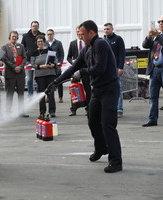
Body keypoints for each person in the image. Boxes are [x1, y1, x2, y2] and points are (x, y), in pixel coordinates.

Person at [46, 20, 122, 173]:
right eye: (79, 34)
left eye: (82, 33)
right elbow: (73, 67)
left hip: (109, 90)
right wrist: (56, 82)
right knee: (92, 121)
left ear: (91, 33)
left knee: (107, 124)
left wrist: (82, 72)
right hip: (97, 90)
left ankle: (116, 161)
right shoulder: (86, 49)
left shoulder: (100, 44)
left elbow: (100, 68)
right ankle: (101, 148)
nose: (80, 36)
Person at [141, 15, 163, 127]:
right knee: (153, 96)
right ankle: (152, 119)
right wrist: (149, 36)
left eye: (162, 21)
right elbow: (145, 45)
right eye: (159, 21)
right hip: (154, 69)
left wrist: (158, 35)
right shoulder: (156, 36)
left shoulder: (159, 36)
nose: (160, 23)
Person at [1, 31, 29, 117]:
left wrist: (20, 67)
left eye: (16, 36)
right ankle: (8, 111)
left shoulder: (21, 46)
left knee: (21, 93)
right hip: (10, 74)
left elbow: (25, 57)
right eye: (13, 36)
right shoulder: (4, 47)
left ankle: (21, 111)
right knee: (10, 94)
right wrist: (14, 67)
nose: (14, 38)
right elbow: (4, 59)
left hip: (20, 74)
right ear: (9, 37)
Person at [67, 26, 91, 116]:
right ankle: (73, 109)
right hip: (75, 69)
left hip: (85, 69)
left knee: (87, 89)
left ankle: (88, 108)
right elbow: (68, 57)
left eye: (80, 31)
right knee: (73, 89)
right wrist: (72, 61)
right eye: (77, 31)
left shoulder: (87, 44)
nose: (78, 33)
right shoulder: (73, 43)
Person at [31, 35, 57, 117]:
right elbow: (32, 64)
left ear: (44, 42)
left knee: (51, 93)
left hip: (50, 74)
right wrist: (41, 66)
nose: (40, 43)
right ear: (36, 43)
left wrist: (53, 64)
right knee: (41, 94)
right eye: (38, 41)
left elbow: (56, 60)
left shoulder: (50, 50)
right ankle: (42, 111)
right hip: (40, 76)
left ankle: (52, 111)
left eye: (41, 41)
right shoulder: (34, 52)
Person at [104, 23, 126, 118]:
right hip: (106, 70)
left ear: (112, 29)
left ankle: (119, 109)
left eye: (108, 29)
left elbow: (122, 54)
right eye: (104, 29)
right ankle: (110, 108)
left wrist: (121, 67)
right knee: (107, 90)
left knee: (118, 89)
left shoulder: (118, 39)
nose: (106, 30)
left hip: (116, 69)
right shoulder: (103, 40)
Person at [21, 21, 45, 97]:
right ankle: (30, 94)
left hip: (38, 60)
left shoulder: (42, 35)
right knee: (29, 79)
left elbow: (45, 45)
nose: (35, 27)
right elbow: (22, 47)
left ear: (38, 27)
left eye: (36, 26)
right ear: (31, 27)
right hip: (29, 60)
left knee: (38, 79)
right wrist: (26, 53)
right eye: (33, 26)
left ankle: (38, 94)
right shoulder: (25, 36)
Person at [46, 29, 64, 103]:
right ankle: (48, 97)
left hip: (56, 65)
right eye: (48, 34)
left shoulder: (58, 43)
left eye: (51, 34)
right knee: (49, 82)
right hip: (48, 66)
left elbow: (62, 53)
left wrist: (60, 62)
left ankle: (60, 97)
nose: (49, 36)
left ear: (53, 35)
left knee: (59, 81)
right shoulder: (45, 43)